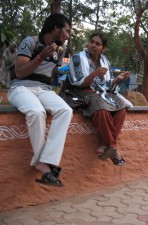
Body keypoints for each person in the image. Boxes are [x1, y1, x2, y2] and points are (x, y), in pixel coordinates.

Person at [7, 14, 73, 187]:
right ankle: (43, 164)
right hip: (20, 88)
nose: (68, 35)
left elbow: (50, 74)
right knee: (36, 112)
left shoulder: (61, 50)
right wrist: (41, 57)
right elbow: (20, 73)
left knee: (66, 110)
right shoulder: (30, 42)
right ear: (56, 28)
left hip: (43, 89)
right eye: (66, 31)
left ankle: (47, 159)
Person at [67, 31, 133, 166]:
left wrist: (117, 79)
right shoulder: (77, 58)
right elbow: (80, 83)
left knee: (122, 107)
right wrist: (94, 74)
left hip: (100, 93)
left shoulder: (104, 60)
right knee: (101, 108)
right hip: (80, 92)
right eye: (92, 42)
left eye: (98, 44)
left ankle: (105, 144)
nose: (93, 45)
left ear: (103, 48)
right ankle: (114, 149)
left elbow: (106, 84)